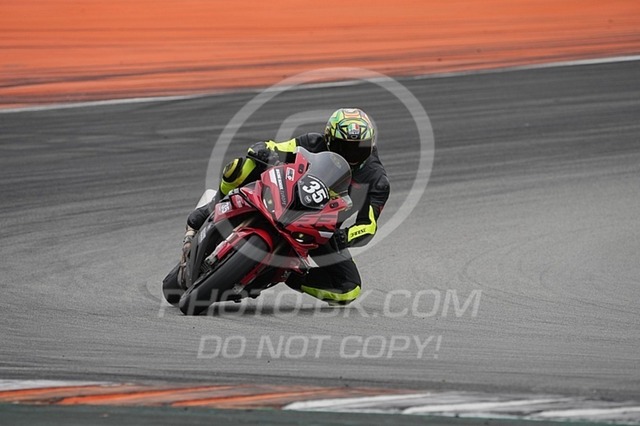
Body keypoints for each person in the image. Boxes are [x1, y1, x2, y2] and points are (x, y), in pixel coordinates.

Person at [180, 108, 390, 305]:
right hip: (284, 195)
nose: (352, 155)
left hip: (321, 228)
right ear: (328, 139)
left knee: (349, 288)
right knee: (242, 166)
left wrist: (345, 237)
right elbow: (276, 147)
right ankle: (209, 209)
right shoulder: (313, 142)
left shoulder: (377, 179)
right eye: (344, 147)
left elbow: (368, 225)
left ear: (371, 145)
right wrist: (264, 151)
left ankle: (290, 274)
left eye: (360, 148)